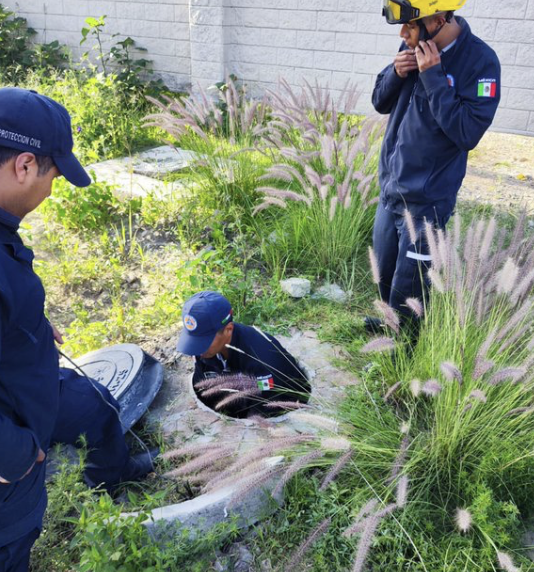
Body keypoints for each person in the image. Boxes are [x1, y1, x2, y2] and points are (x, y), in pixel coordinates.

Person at [0, 87, 154, 572]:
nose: (51, 189)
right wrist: (16, 457)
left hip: (28, 378)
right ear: (24, 165)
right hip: (12, 442)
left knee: (97, 406)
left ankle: (113, 476)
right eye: (53, 174)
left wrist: (30, 324)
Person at [365, 0, 501, 333]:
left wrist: (434, 77)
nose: (402, 35)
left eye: (409, 26)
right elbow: (380, 102)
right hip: (391, 191)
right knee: (385, 271)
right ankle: (387, 326)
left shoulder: (482, 64)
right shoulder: (410, 47)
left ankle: (404, 356)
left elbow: (467, 133)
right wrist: (396, 72)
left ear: (438, 20)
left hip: (426, 204)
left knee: (410, 288)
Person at [177, 291, 310, 419]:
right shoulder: (206, 350)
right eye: (195, 341)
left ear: (228, 330)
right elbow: (203, 385)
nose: (198, 349)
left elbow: (263, 415)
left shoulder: (263, 362)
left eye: (204, 340)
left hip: (275, 404)